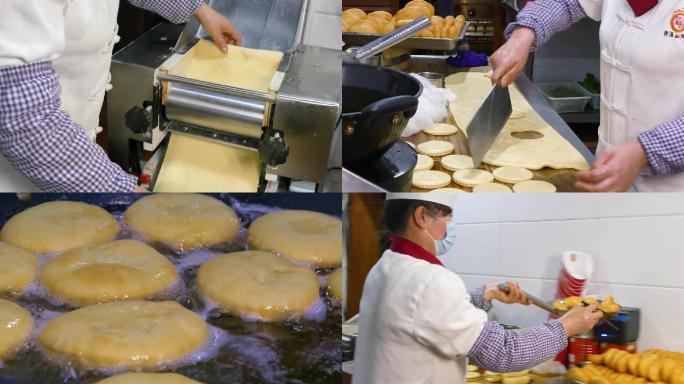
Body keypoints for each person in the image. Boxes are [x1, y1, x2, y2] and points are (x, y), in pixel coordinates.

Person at [353, 193, 602, 384]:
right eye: (447, 220)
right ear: (421, 216)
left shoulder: (386, 265)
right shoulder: (430, 280)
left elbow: (423, 318)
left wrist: (487, 294)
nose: (448, 230)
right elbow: (504, 351)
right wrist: (567, 326)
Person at [0, 0, 241, 192]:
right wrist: (121, 191)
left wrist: (198, 9)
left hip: (68, 149)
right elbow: (27, 121)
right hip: (21, 170)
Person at [489, 0, 684, 192]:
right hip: (606, 171)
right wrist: (524, 33)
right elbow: (566, 3)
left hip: (670, 192)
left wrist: (643, 151)